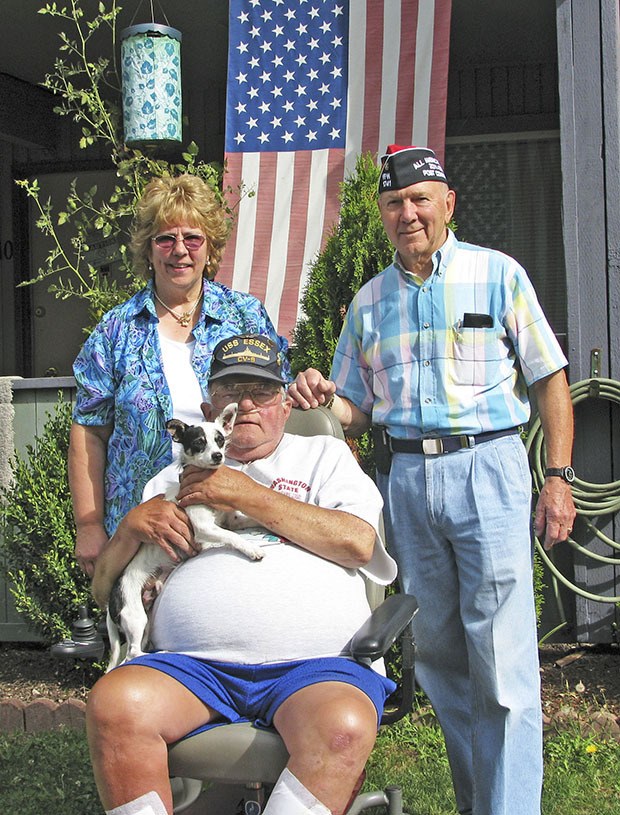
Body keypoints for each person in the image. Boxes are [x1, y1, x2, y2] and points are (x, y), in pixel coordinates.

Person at [289, 145, 577, 815]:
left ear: (448, 203)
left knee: (503, 663)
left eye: (420, 198)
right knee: (443, 661)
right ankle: (481, 803)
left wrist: (558, 475)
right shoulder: (367, 304)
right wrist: (318, 394)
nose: (407, 212)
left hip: (490, 470)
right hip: (409, 483)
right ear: (383, 215)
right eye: (394, 203)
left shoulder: (497, 275)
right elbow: (353, 410)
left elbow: (550, 379)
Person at [86, 333, 398, 815]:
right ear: (213, 407)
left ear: (284, 403)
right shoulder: (170, 478)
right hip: (192, 667)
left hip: (315, 665)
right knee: (115, 707)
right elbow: (103, 587)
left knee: (342, 725)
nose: (248, 404)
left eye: (263, 391)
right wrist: (128, 530)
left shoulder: (323, 457)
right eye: (232, 392)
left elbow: (357, 542)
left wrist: (244, 494)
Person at [69, 174, 289, 578]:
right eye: (165, 239)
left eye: (193, 238)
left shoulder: (245, 316)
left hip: (233, 519)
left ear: (210, 246)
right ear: (148, 249)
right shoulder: (116, 330)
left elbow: (278, 403)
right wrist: (89, 525)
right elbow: (89, 431)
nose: (179, 251)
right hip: (144, 532)